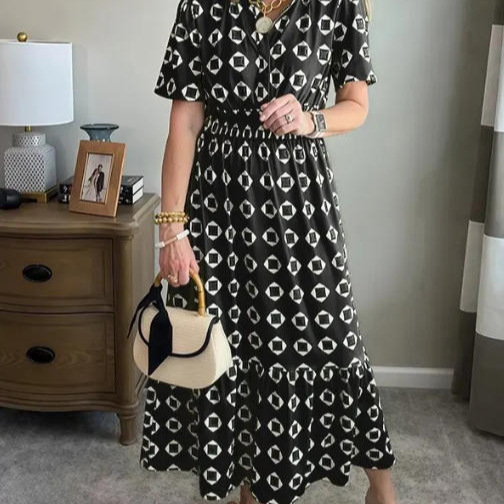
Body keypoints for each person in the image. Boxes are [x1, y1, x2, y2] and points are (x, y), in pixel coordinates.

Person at [140, 0, 399, 503]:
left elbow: (356, 105)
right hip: (218, 206)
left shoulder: (338, 4)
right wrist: (172, 230)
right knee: (233, 347)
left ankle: (381, 488)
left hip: (300, 205)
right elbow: (185, 121)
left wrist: (310, 118)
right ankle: (251, 491)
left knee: (334, 337)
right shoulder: (202, 6)